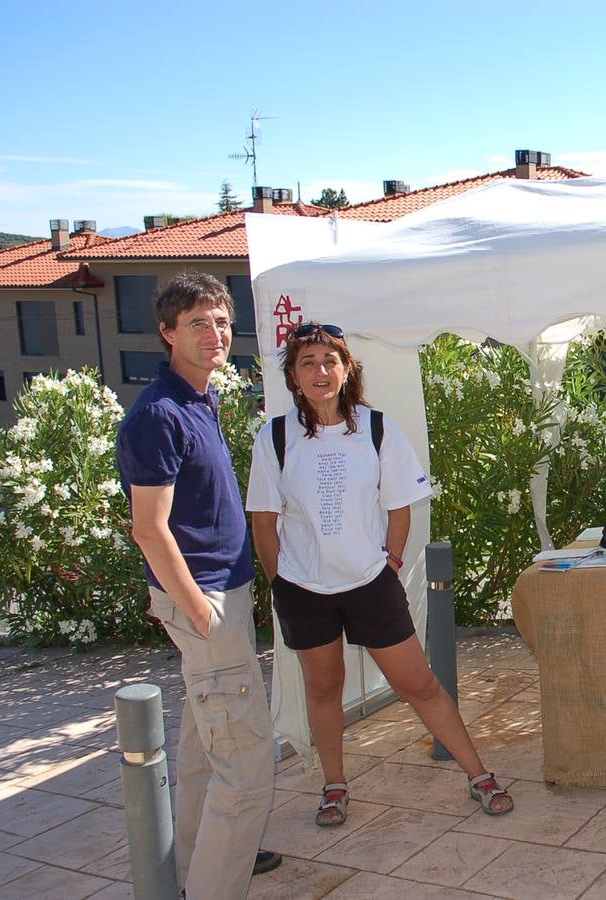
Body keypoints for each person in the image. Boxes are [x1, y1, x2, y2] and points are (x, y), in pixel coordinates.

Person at [246, 321, 513, 827]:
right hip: (304, 590)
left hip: (371, 583)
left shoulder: (376, 428)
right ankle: (334, 786)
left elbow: (400, 507)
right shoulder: (275, 438)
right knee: (323, 691)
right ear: (294, 377)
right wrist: (281, 581)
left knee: (421, 686)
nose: (320, 371)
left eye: (330, 361)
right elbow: (263, 519)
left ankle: (479, 775)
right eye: (308, 363)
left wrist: (388, 564)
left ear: (347, 370)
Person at [117, 272, 279, 899]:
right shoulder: (158, 415)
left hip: (218, 593)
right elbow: (149, 531)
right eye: (197, 324)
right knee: (246, 761)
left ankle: (193, 866)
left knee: (205, 752)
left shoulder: (198, 400)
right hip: (206, 598)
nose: (214, 334)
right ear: (167, 332)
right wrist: (202, 613)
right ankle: (214, 885)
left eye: (220, 322)